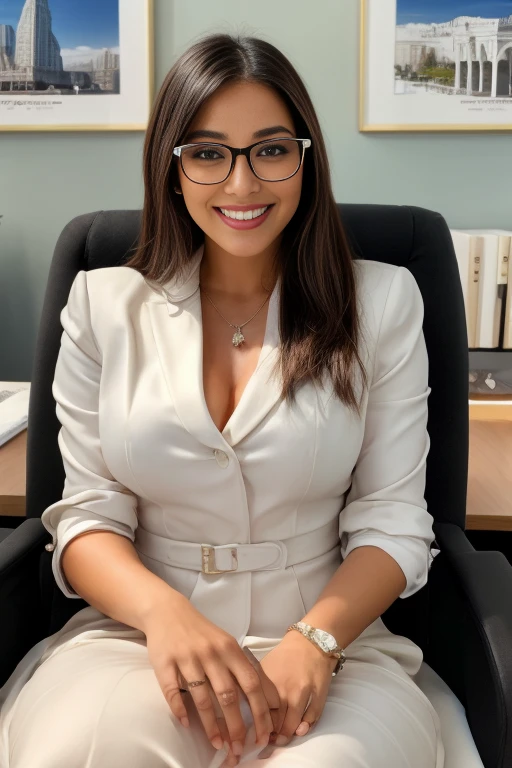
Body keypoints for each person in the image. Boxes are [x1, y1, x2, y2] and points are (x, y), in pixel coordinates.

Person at [0, 32, 444, 768]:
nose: (242, 185)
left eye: (270, 150)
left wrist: (316, 641)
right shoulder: (102, 304)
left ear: (305, 158)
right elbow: (86, 517)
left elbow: (394, 522)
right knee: (82, 748)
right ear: (171, 170)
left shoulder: (383, 300)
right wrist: (165, 616)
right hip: (140, 639)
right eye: (208, 154)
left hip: (330, 642)